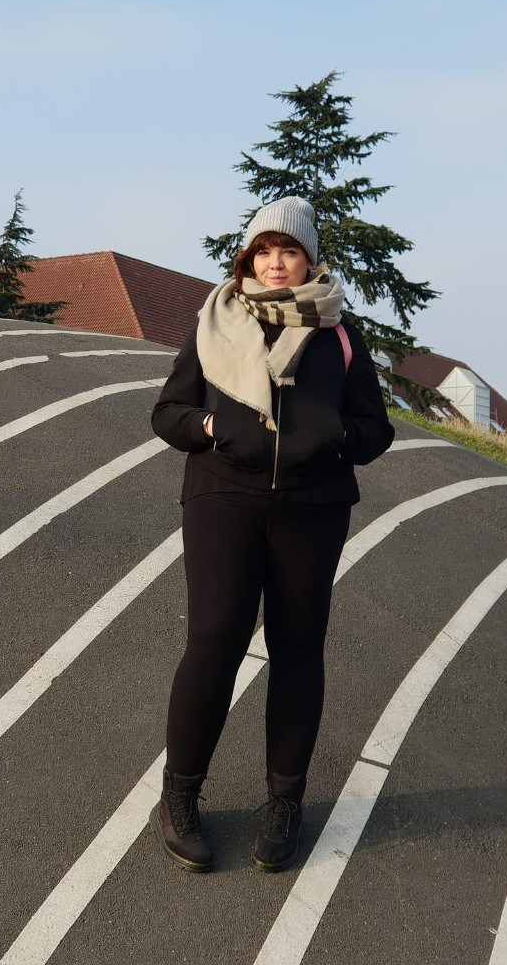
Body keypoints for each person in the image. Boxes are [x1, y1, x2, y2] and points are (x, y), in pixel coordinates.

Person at [150, 195, 395, 873]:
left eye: (289, 249)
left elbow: (377, 430)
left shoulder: (339, 334)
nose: (277, 260)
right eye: (264, 249)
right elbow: (168, 412)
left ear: (310, 259)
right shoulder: (215, 322)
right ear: (247, 257)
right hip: (223, 497)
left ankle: (285, 804)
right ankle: (178, 798)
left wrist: (339, 434)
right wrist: (209, 427)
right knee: (216, 638)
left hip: (312, 508)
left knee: (297, 648)